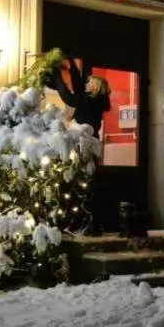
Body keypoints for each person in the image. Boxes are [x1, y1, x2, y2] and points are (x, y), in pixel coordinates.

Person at [48, 60, 112, 234]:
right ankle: (91, 222)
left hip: (83, 143)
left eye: (90, 82)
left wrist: (57, 78)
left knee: (79, 182)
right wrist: (72, 68)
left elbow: (69, 98)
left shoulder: (88, 100)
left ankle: (80, 220)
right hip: (92, 143)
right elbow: (77, 89)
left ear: (96, 86)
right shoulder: (97, 100)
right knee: (88, 181)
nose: (87, 84)